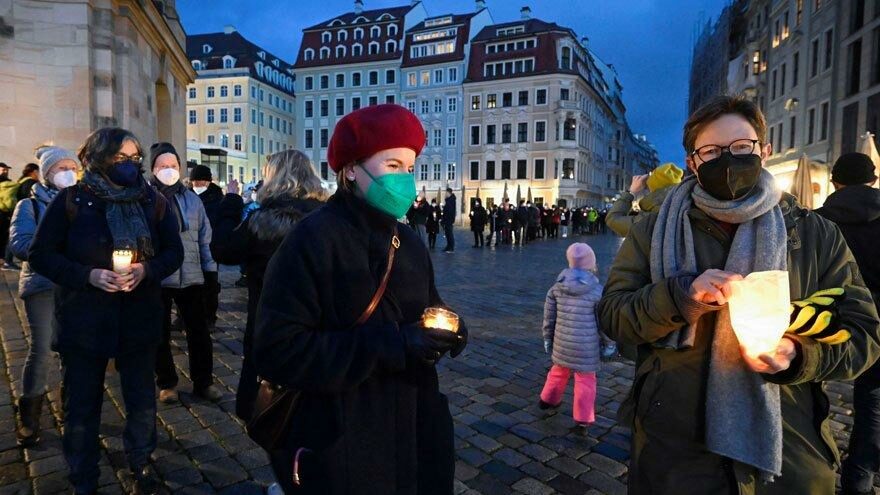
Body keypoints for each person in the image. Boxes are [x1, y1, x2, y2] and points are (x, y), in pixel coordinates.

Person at [598, 95, 880, 494]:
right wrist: (679, 298)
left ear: (763, 151)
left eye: (741, 147)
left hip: (791, 456)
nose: (728, 160)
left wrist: (802, 357)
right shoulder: (652, 229)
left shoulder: (815, 234)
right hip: (675, 454)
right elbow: (612, 316)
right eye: (711, 151)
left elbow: (865, 333)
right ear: (693, 162)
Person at [253, 104, 467, 494]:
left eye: (409, 167)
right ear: (352, 169)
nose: (405, 180)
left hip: (417, 424)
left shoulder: (410, 242)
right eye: (392, 165)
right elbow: (278, 350)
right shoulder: (311, 240)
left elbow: (429, 304)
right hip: (345, 435)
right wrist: (392, 344)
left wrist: (451, 328)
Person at [28, 128, 184, 495]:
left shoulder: (152, 200)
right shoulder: (71, 200)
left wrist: (146, 270)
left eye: (134, 159)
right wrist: (88, 275)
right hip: (84, 320)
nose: (130, 166)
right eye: (120, 159)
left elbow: (173, 252)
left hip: (138, 318)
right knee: (81, 404)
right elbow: (40, 255)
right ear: (99, 158)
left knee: (141, 399)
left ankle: (141, 461)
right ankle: (83, 475)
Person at [211, 149, 327, 421]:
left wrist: (230, 200)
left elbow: (223, 249)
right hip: (319, 325)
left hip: (268, 323)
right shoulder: (328, 218)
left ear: (274, 178)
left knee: (267, 403)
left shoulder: (261, 220)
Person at [815, 152, 880, 495]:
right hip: (879, 329)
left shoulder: (817, 221)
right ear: (872, 181)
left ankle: (816, 466)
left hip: (824, 324)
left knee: (811, 393)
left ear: (834, 181)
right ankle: (859, 480)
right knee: (872, 406)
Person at [10, 145, 79, 446]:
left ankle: (71, 406)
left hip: (75, 287)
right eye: (61, 168)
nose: (68, 173)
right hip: (42, 284)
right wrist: (60, 255)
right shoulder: (30, 206)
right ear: (47, 173)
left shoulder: (82, 203)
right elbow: (21, 244)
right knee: (41, 349)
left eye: (71, 167)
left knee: (73, 349)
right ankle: (29, 414)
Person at [149, 143, 222, 405]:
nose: (169, 170)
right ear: (153, 168)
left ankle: (204, 381)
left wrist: (210, 270)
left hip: (191, 274)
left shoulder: (192, 199)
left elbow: (205, 237)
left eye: (173, 166)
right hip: (158, 275)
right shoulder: (145, 198)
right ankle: (167, 382)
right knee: (159, 333)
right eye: (163, 166)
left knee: (199, 331)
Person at [539, 243, 603, 434]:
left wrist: (547, 338)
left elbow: (549, 317)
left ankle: (548, 399)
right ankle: (583, 418)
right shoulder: (597, 291)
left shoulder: (556, 287)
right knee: (586, 380)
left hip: (562, 343)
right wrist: (608, 343)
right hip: (587, 346)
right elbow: (604, 322)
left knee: (558, 371)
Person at [607, 163, 684, 237]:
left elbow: (613, 219)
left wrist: (631, 192)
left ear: (653, 189)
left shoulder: (650, 219)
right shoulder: (685, 209)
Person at [190, 164, 223, 330]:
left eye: (201, 182)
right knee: (189, 285)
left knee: (210, 284)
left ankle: (210, 317)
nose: (198, 185)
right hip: (190, 246)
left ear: (208, 182)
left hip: (210, 246)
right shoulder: (188, 195)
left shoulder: (217, 198)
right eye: (195, 182)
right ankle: (185, 317)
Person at [442, 186, 456, 253]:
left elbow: (450, 211)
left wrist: (449, 219)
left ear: (449, 193)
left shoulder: (451, 200)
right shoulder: (449, 200)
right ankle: (448, 246)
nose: (445, 194)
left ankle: (451, 247)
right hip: (447, 219)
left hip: (449, 220)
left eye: (446, 193)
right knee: (447, 234)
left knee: (449, 234)